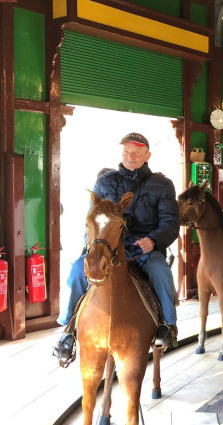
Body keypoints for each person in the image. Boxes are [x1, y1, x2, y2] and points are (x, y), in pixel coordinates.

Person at [54, 132, 180, 364]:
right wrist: (90, 248)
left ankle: (167, 325)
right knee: (76, 272)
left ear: (147, 155)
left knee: (161, 271)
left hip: (143, 249)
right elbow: (91, 219)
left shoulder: (162, 185)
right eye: (126, 152)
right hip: (107, 248)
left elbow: (171, 224)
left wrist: (153, 240)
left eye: (136, 153)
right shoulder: (105, 182)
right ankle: (67, 331)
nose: (130, 157)